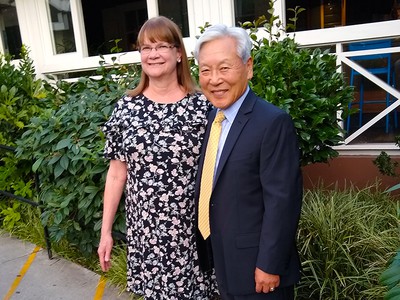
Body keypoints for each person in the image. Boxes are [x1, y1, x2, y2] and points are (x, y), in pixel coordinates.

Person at [97, 16, 218, 300]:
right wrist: (106, 232)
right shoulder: (126, 109)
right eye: (145, 48)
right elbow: (116, 174)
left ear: (178, 54)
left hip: (194, 230)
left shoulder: (203, 107)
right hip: (147, 234)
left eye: (162, 45)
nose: (153, 54)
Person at [193, 24, 303, 300]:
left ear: (248, 67)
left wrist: (269, 264)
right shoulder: (213, 119)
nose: (214, 79)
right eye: (205, 70)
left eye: (224, 68)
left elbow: (283, 201)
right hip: (224, 261)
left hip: (259, 271)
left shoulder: (271, 122)